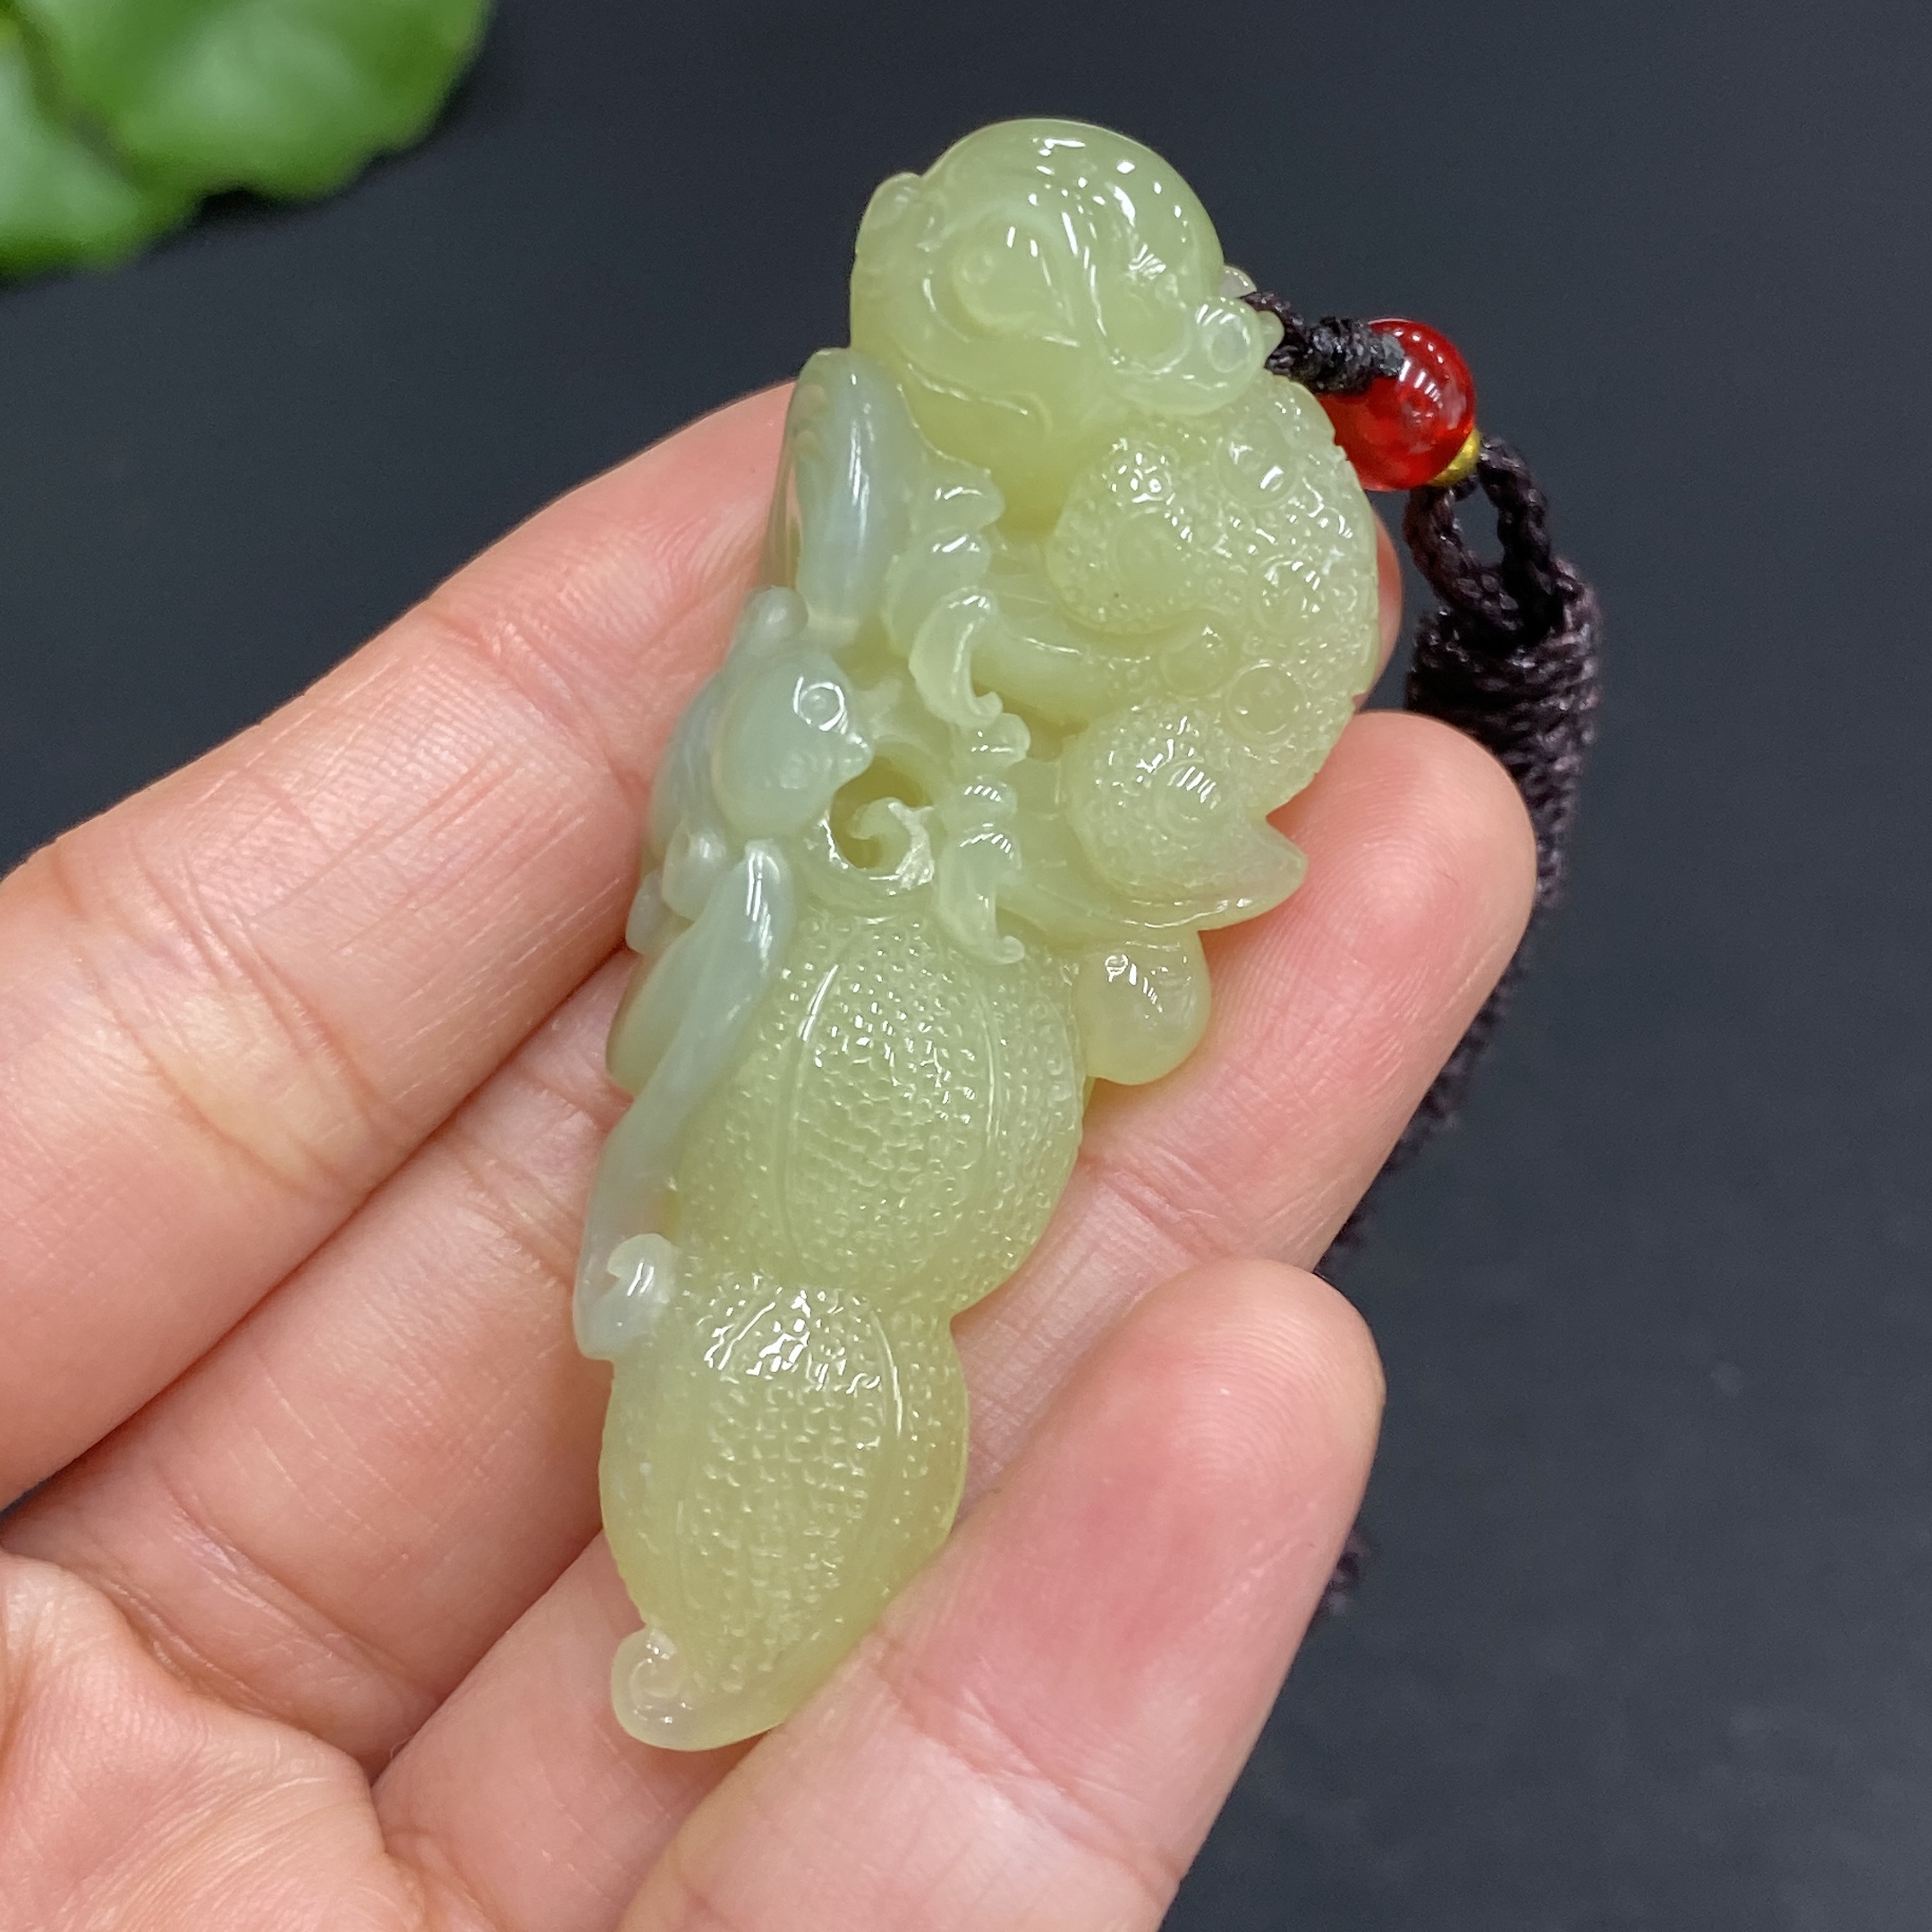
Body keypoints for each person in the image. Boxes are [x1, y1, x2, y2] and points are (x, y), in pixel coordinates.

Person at [0, 386, 1532, 1930]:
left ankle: (740, 1621)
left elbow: (1130, 970)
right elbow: (715, 968)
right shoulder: (850, 719)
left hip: (939, 1044)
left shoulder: (1091, 693)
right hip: (851, 1055)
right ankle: (731, 1625)